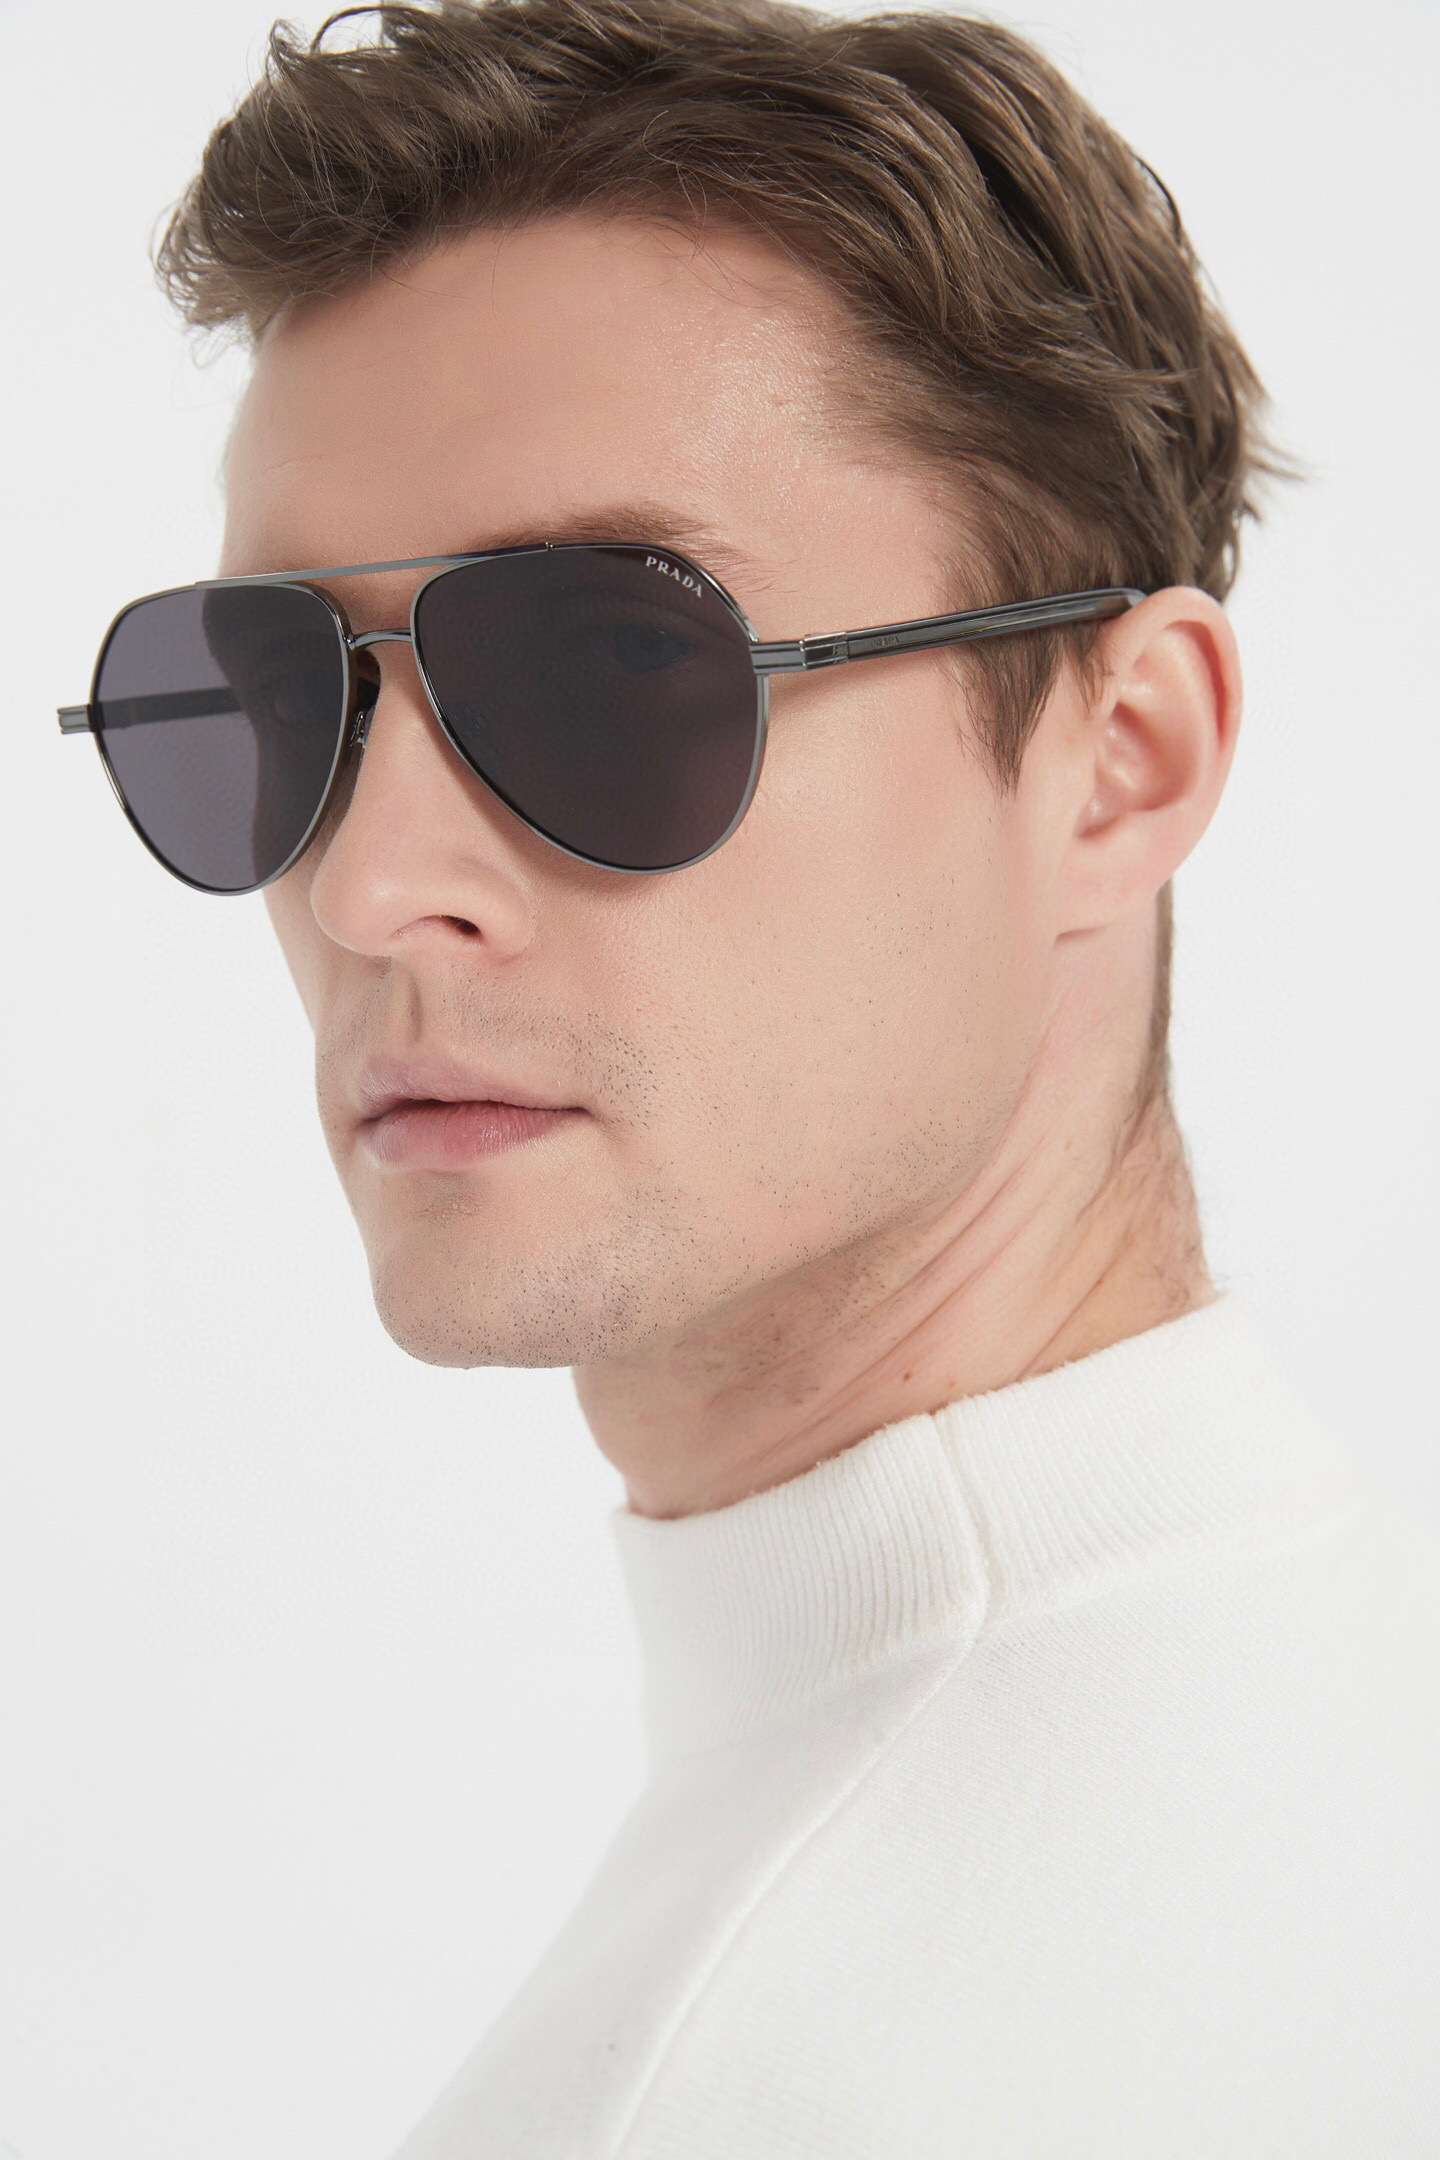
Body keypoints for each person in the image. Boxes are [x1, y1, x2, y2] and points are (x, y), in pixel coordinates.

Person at [57, 1, 1439, 2151]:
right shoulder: (1332, 1707)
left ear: (1121, 761)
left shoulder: (761, 2077)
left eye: (617, 659)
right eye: (275, 684)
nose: (375, 885)